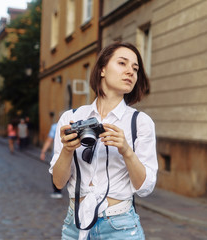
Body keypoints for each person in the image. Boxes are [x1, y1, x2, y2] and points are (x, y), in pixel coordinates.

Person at [50, 42, 158, 239]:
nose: (130, 72)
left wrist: (126, 150)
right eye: (122, 63)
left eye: (135, 68)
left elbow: (145, 188)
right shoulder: (71, 118)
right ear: (102, 69)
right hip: (76, 225)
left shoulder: (140, 122)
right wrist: (67, 150)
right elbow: (58, 182)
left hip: (121, 227)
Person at [40, 122, 62, 198]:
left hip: (57, 154)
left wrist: (43, 152)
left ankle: (57, 191)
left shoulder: (55, 126)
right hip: (73, 154)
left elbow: (49, 140)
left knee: (54, 172)